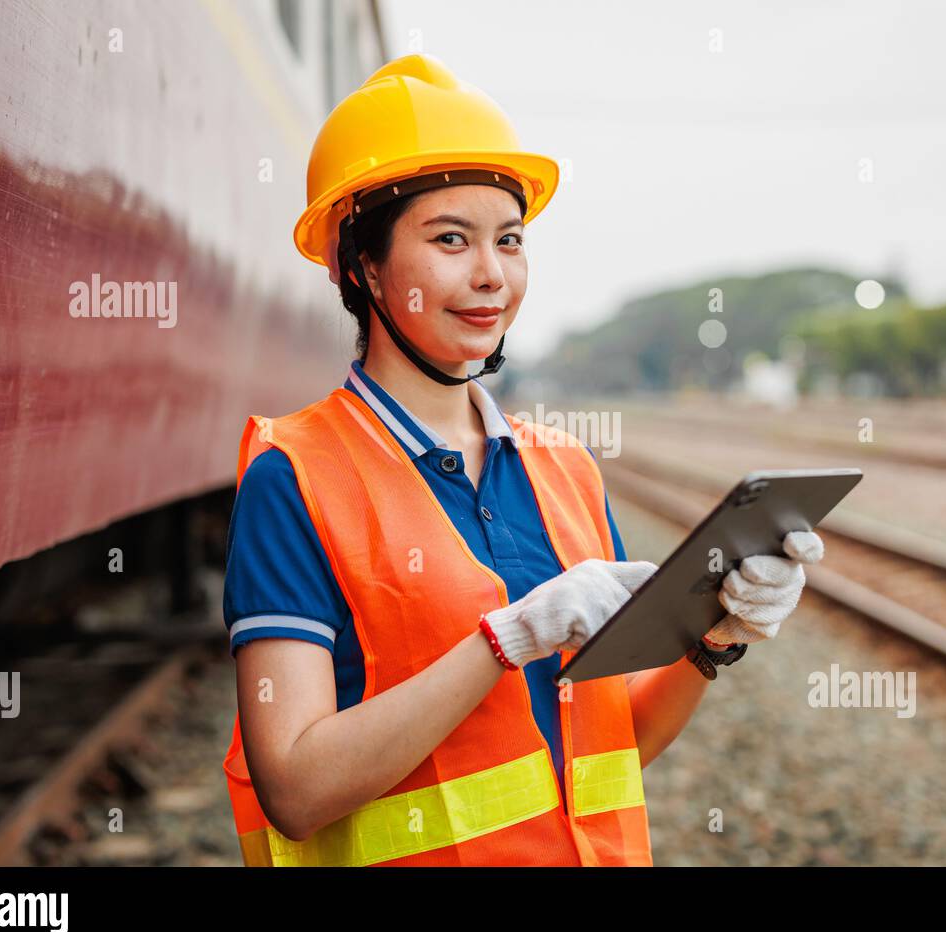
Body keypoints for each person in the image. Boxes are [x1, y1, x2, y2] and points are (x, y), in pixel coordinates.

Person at [220, 53, 824, 867]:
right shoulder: (294, 476)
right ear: (361, 267)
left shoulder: (566, 470)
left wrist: (714, 638)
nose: (491, 275)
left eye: (509, 239)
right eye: (449, 240)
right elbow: (294, 788)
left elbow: (616, 747)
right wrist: (506, 640)